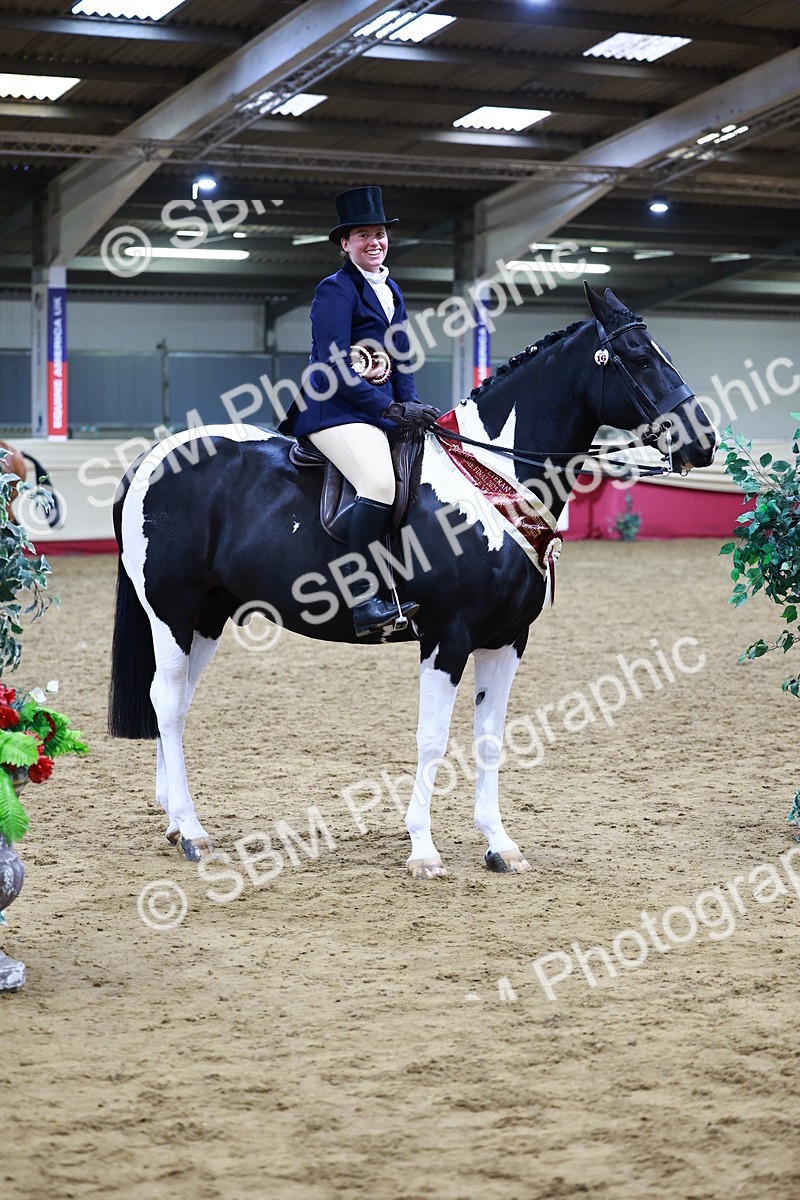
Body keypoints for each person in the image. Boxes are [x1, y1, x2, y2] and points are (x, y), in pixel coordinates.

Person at [279, 185, 439, 637]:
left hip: (378, 409)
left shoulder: (391, 290)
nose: (375, 242)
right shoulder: (334, 290)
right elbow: (333, 365)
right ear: (345, 244)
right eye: (363, 235)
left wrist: (410, 406)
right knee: (378, 481)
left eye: (380, 234)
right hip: (332, 408)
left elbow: (402, 359)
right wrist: (387, 408)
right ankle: (364, 598)